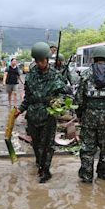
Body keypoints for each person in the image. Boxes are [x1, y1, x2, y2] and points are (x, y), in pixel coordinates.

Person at [15, 42, 67, 183]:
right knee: (36, 144)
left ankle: (45, 171)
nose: (39, 63)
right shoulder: (31, 75)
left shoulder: (56, 75)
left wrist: (58, 103)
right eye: (37, 61)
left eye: (41, 60)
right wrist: (20, 109)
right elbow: (28, 98)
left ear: (47, 59)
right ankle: (40, 163)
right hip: (33, 116)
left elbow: (64, 95)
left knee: (47, 145)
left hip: (48, 115)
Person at [75, 46, 105, 183]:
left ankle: (86, 177)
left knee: (87, 148)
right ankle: (103, 176)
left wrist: (79, 114)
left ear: (94, 57)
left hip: (89, 116)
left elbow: (79, 98)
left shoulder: (86, 74)